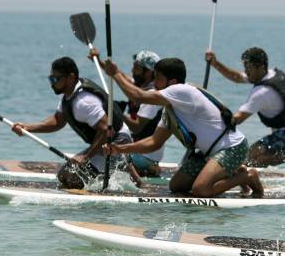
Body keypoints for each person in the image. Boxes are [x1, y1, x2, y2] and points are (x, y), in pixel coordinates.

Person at [99, 54, 263, 197]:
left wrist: (115, 74)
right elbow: (154, 143)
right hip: (210, 153)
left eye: (158, 78)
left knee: (201, 190)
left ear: (173, 81)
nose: (154, 83)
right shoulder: (170, 110)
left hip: (233, 148)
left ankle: (247, 176)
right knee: (176, 186)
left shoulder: (182, 91)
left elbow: (138, 96)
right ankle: (235, 170)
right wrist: (120, 149)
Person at [12, 56, 132, 189]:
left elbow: (106, 130)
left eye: (55, 79)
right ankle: (126, 173)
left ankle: (125, 171)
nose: (52, 83)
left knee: (73, 179)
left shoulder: (84, 102)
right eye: (50, 79)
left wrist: (85, 157)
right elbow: (57, 121)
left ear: (70, 77)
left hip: (118, 141)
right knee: (63, 176)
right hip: (103, 143)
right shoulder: (69, 96)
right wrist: (27, 128)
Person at [205, 47, 285, 169]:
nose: (246, 72)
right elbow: (236, 77)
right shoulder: (271, 74)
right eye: (245, 67)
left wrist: (210, 121)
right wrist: (215, 63)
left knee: (253, 156)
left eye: (248, 68)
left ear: (260, 67)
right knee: (252, 156)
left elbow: (238, 119)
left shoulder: (261, 92)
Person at [119, 50, 166, 177]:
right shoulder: (142, 87)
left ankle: (147, 169)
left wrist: (117, 113)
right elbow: (122, 77)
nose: (132, 70)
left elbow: (137, 127)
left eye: (136, 68)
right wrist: (100, 61)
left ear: (149, 72)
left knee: (104, 156)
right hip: (140, 153)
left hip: (145, 156)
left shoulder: (151, 95)